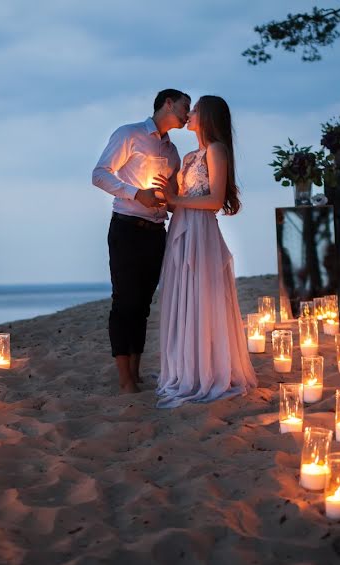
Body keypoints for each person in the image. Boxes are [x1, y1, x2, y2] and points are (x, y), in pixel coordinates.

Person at [152, 95, 257, 408]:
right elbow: (177, 199)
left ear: (208, 116)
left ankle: (208, 369)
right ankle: (187, 369)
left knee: (203, 295)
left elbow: (213, 201)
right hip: (181, 230)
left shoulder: (216, 150)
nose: (190, 113)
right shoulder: (188, 157)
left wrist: (176, 200)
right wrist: (166, 196)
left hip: (202, 231)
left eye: (195, 109)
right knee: (184, 294)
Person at [92, 89, 191, 394]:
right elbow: (99, 175)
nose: (188, 115)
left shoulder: (173, 153)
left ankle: (135, 373)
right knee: (124, 302)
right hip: (126, 229)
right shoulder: (129, 134)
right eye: (185, 108)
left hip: (156, 233)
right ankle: (124, 380)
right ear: (168, 103)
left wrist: (184, 202)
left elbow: (172, 201)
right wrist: (137, 194)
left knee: (144, 305)